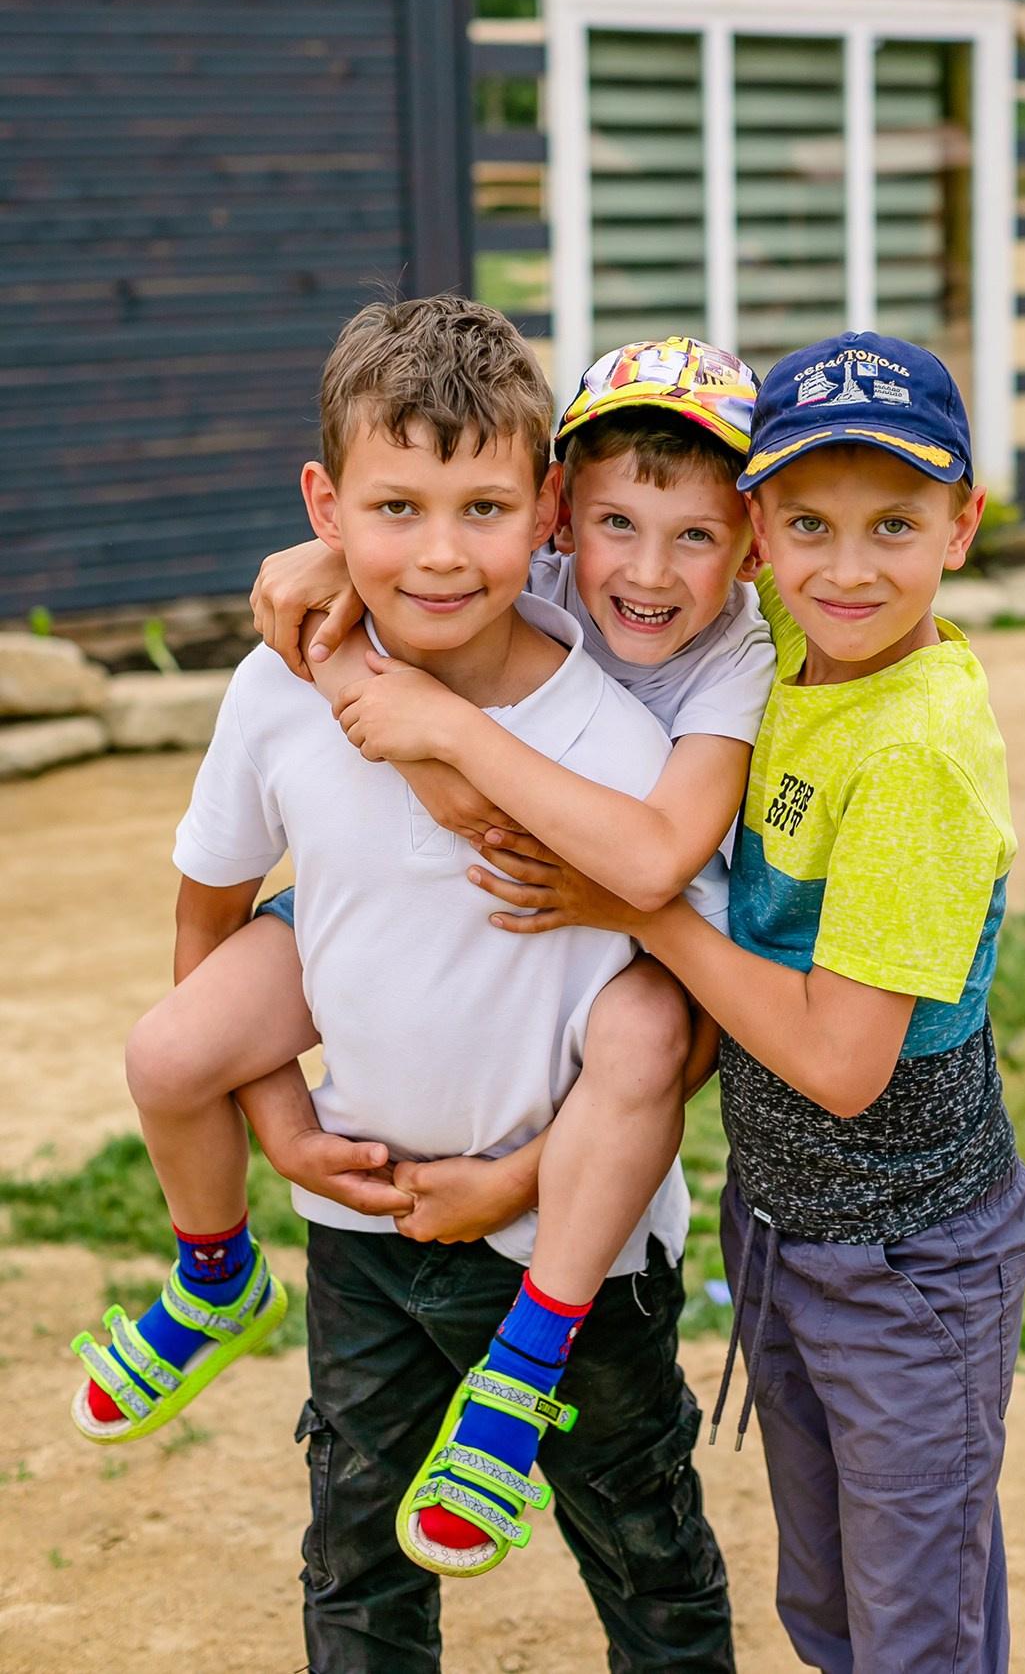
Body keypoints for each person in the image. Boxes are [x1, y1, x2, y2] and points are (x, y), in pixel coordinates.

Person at [71, 297, 737, 1670]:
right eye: (396, 509)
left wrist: (523, 1179)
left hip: (573, 1247)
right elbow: (216, 916)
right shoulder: (279, 688)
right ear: (327, 508)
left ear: (543, 506)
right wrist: (282, 1131)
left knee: (642, 1550)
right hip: (361, 1218)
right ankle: (210, 1281)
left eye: (483, 508)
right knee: (357, 1556)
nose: (440, 553)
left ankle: (527, 1376)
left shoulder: (613, 734)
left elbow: (676, 1025)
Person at [469, 332, 1025, 1674]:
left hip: (909, 1265)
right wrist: (324, 561)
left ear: (961, 527)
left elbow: (843, 1062)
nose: (848, 566)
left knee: (915, 1637)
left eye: (895, 524)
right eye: (809, 524)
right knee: (833, 1613)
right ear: (760, 539)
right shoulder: (798, 635)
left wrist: (645, 908)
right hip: (786, 1229)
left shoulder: (915, 756)